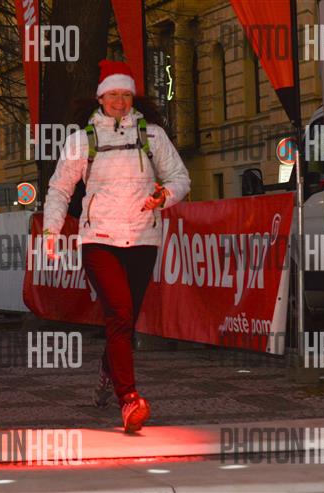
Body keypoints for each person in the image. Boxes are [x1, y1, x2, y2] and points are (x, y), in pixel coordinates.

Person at [42, 60, 191, 433]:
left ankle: (108, 370)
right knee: (120, 313)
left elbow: (179, 177)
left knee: (126, 319)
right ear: (100, 98)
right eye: (113, 95)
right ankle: (129, 400)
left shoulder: (152, 135)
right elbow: (60, 188)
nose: (120, 102)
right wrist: (50, 231)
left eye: (126, 95)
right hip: (100, 239)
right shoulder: (81, 140)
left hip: (142, 237)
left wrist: (165, 196)